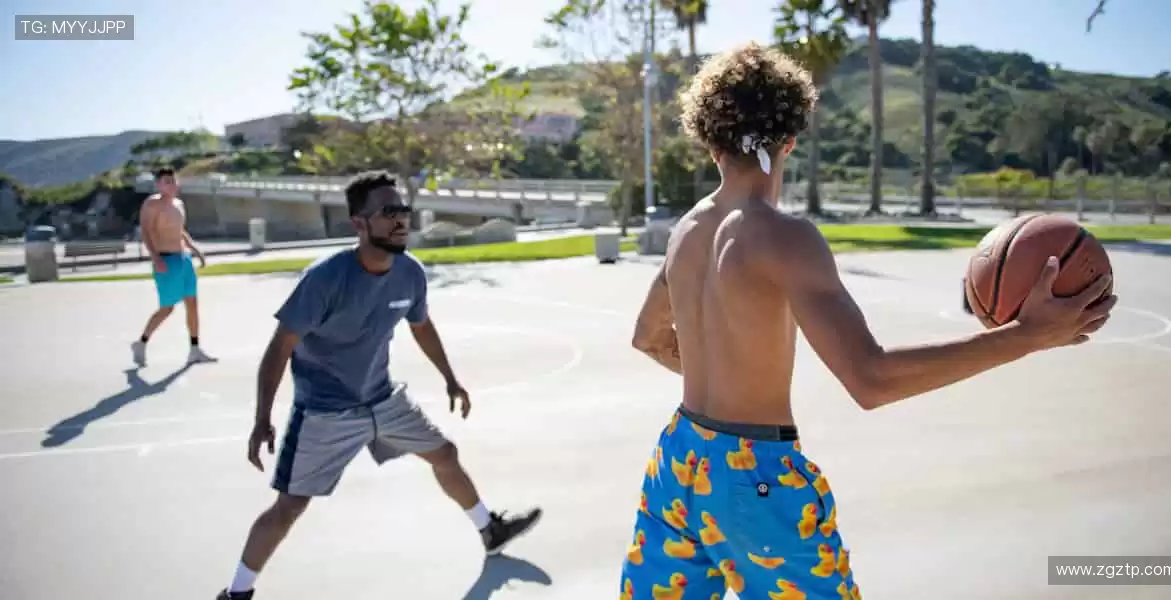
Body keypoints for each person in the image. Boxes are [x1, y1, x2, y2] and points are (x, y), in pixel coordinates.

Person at [619, 43, 1116, 599]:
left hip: (680, 458)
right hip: (755, 480)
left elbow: (648, 337)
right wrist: (1025, 337)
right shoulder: (784, 238)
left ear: (710, 142)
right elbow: (870, 380)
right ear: (790, 138)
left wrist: (721, 379)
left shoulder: (686, 230)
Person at [216, 171, 541, 600]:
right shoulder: (326, 279)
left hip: (382, 398)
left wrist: (450, 378)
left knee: (445, 453)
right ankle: (236, 594)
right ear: (359, 223)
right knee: (289, 507)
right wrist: (262, 419)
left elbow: (421, 326)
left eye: (402, 210)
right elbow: (279, 349)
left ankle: (489, 530)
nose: (400, 220)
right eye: (388, 212)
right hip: (325, 412)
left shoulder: (410, 273)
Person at [130, 167, 214, 366]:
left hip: (183, 258)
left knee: (192, 304)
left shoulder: (179, 204)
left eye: (173, 181)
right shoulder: (151, 204)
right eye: (166, 181)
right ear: (158, 184)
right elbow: (147, 232)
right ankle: (141, 343)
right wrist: (156, 258)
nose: (171, 184)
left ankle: (194, 349)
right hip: (166, 260)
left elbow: (180, 230)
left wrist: (195, 249)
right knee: (167, 308)